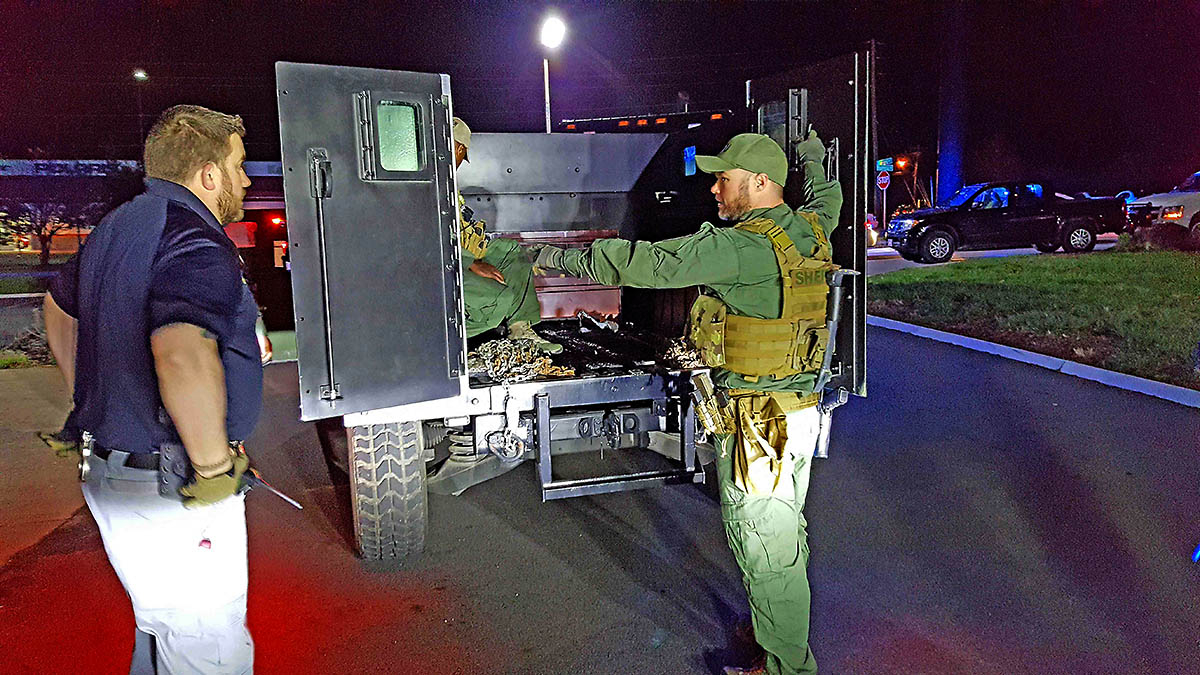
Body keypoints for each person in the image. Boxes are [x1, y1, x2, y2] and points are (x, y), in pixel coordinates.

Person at [531, 131, 841, 675]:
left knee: (764, 544)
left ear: (760, 182)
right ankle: (773, 629)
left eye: (724, 179)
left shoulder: (741, 248)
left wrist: (550, 256)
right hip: (797, 412)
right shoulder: (813, 227)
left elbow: (649, 264)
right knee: (782, 535)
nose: (714, 189)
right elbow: (825, 193)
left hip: (759, 424)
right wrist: (811, 152)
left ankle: (786, 666)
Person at [43, 104, 263, 674]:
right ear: (208, 174)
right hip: (170, 488)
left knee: (162, 631)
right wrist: (214, 471)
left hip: (116, 472)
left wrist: (91, 397)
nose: (246, 180)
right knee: (207, 650)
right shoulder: (195, 239)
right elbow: (182, 352)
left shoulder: (118, 226)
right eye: (238, 166)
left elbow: (57, 307)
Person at [452, 117, 561, 353]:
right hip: (443, 268)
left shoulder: (447, 184)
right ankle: (442, 337)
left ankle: (520, 328)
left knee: (509, 250)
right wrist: (471, 263)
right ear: (459, 149)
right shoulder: (427, 185)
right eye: (461, 154)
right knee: (498, 299)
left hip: (459, 258)